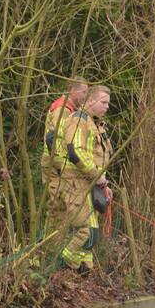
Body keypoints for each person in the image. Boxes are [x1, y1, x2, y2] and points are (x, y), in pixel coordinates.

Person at [57, 85, 113, 273]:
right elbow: (76, 152)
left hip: (91, 184)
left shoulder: (96, 124)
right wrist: (98, 177)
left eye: (108, 103)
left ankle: (83, 271)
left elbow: (98, 156)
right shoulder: (78, 121)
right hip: (76, 183)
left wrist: (103, 183)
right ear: (90, 101)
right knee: (85, 231)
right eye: (103, 102)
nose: (107, 107)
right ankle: (59, 264)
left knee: (93, 235)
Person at [41, 78, 88, 231]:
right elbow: (57, 141)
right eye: (84, 92)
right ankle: (52, 248)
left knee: (61, 208)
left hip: (57, 165)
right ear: (72, 91)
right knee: (57, 208)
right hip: (55, 166)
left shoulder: (68, 109)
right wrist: (63, 168)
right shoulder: (63, 110)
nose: (85, 97)